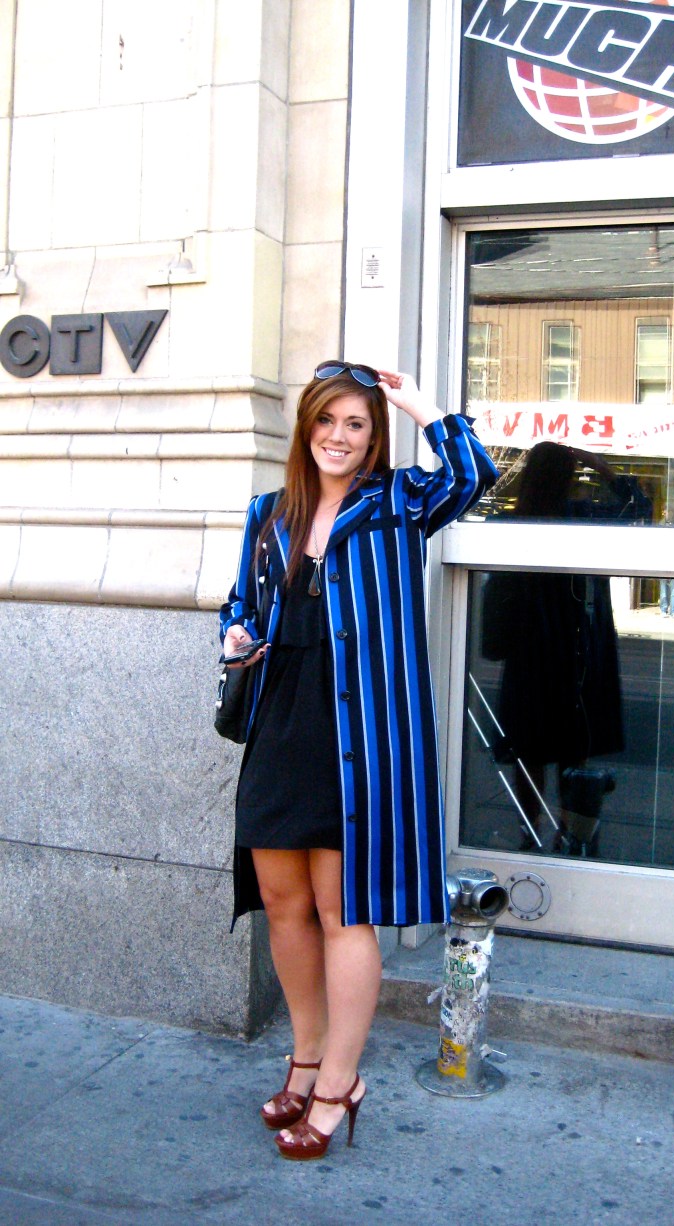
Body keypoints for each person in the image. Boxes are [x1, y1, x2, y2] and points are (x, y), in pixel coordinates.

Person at [219, 360, 497, 1160]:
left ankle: (340, 1083)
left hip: (361, 736)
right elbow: (241, 602)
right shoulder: (269, 512)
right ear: (305, 426)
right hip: (281, 724)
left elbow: (475, 472)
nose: (338, 437)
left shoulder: (399, 502)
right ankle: (305, 1059)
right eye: (327, 420)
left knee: (343, 910)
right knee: (283, 902)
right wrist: (235, 636)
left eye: (357, 424)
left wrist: (417, 405)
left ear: (374, 439)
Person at [480, 441, 651, 855]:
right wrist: (602, 466)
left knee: (529, 751)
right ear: (569, 477)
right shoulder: (581, 517)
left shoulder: (511, 521)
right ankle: (572, 833)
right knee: (573, 751)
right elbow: (639, 508)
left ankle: (530, 830)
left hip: (529, 653)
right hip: (576, 651)